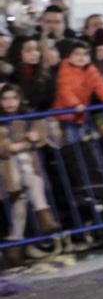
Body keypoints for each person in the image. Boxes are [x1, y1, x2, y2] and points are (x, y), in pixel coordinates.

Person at [1, 80, 59, 263]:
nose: (10, 102)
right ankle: (44, 215)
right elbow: (4, 148)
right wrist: (26, 143)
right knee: (30, 182)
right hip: (7, 173)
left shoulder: (26, 117)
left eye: (14, 98)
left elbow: (40, 137)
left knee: (23, 200)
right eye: (5, 99)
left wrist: (33, 138)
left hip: (26, 168)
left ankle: (14, 245)